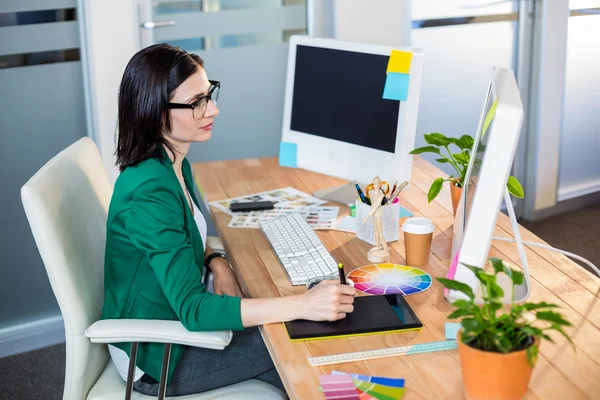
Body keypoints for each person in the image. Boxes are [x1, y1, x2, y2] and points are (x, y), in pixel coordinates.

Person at [100, 43, 356, 397]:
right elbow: (192, 310)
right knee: (301, 342)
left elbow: (180, 235)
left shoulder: (172, 161)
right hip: (158, 357)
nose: (213, 110)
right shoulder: (149, 192)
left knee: (308, 355)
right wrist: (303, 304)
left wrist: (216, 261)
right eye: (197, 103)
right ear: (155, 112)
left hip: (175, 325)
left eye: (210, 95)